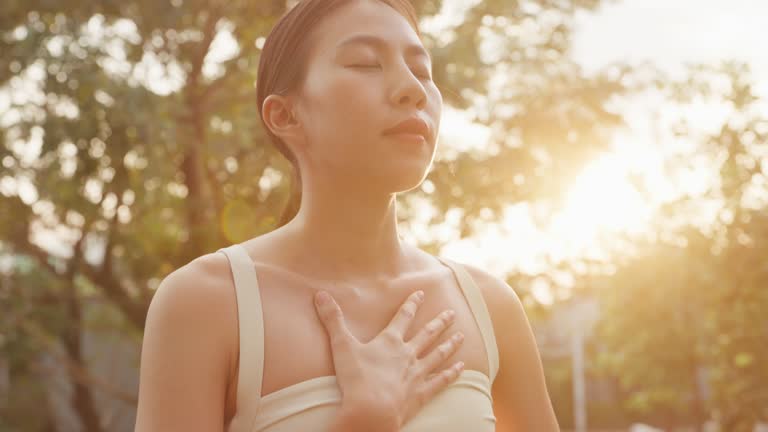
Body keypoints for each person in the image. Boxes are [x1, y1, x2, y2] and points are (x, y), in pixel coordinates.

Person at [134, 0, 560, 431]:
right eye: (365, 64)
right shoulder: (205, 304)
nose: (412, 88)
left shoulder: (489, 307)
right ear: (285, 115)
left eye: (422, 71)